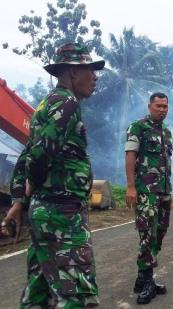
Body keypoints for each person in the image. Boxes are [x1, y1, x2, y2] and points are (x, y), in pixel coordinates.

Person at [0, 42, 104, 308]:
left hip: (45, 213)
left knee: (39, 293)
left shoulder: (46, 104)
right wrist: (28, 192)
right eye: (90, 71)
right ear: (71, 73)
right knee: (77, 295)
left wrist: (19, 201)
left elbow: (26, 155)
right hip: (62, 215)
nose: (94, 77)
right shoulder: (66, 104)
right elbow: (39, 156)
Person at [125, 92, 173, 305]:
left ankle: (142, 277)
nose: (162, 109)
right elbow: (130, 156)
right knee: (148, 235)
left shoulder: (167, 132)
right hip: (146, 191)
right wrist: (131, 187)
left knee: (160, 232)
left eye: (165, 106)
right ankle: (147, 282)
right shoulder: (138, 127)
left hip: (164, 191)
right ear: (149, 106)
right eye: (158, 106)